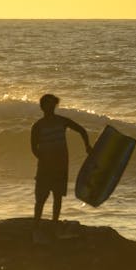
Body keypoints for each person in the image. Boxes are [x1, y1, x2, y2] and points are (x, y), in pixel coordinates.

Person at [31, 94, 91, 223]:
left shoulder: (62, 121)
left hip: (61, 166)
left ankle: (54, 223)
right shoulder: (37, 126)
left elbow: (81, 130)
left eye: (53, 104)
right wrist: (44, 159)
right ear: (42, 107)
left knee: (57, 197)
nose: (50, 107)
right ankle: (36, 225)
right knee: (40, 198)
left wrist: (87, 146)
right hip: (45, 168)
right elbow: (34, 148)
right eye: (47, 104)